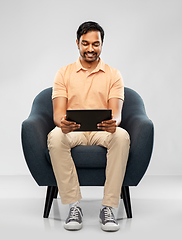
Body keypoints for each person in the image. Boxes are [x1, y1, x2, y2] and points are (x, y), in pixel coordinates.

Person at [47, 21, 130, 232]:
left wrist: (115, 123)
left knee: (121, 136)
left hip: (103, 132)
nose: (90, 49)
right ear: (77, 43)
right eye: (85, 43)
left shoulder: (114, 75)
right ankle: (74, 206)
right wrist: (62, 123)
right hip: (73, 132)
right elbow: (58, 114)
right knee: (55, 136)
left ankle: (109, 208)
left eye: (95, 44)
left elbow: (117, 112)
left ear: (102, 44)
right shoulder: (63, 73)